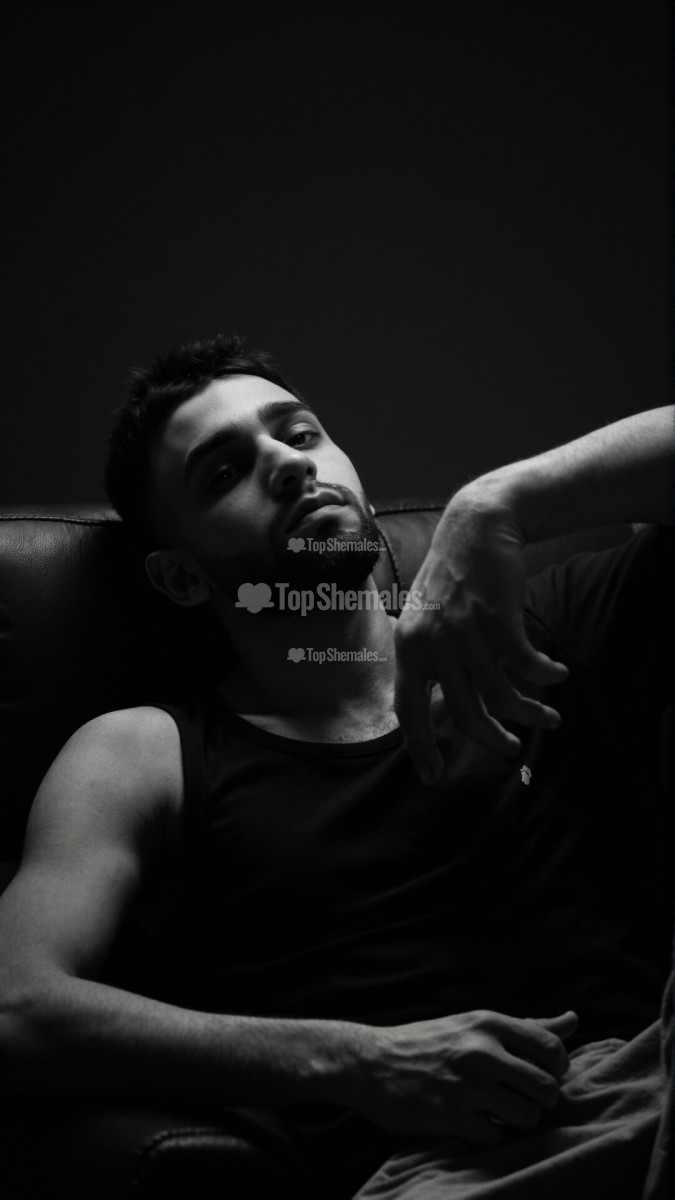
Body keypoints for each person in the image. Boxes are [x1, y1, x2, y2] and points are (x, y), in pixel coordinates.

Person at [0, 333, 672, 1199]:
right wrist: (359, 1061)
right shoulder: (143, 753)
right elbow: (14, 1004)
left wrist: (496, 501)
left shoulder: (535, 631)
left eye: (300, 433)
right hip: (449, 1176)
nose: (287, 464)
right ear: (181, 578)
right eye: (224, 473)